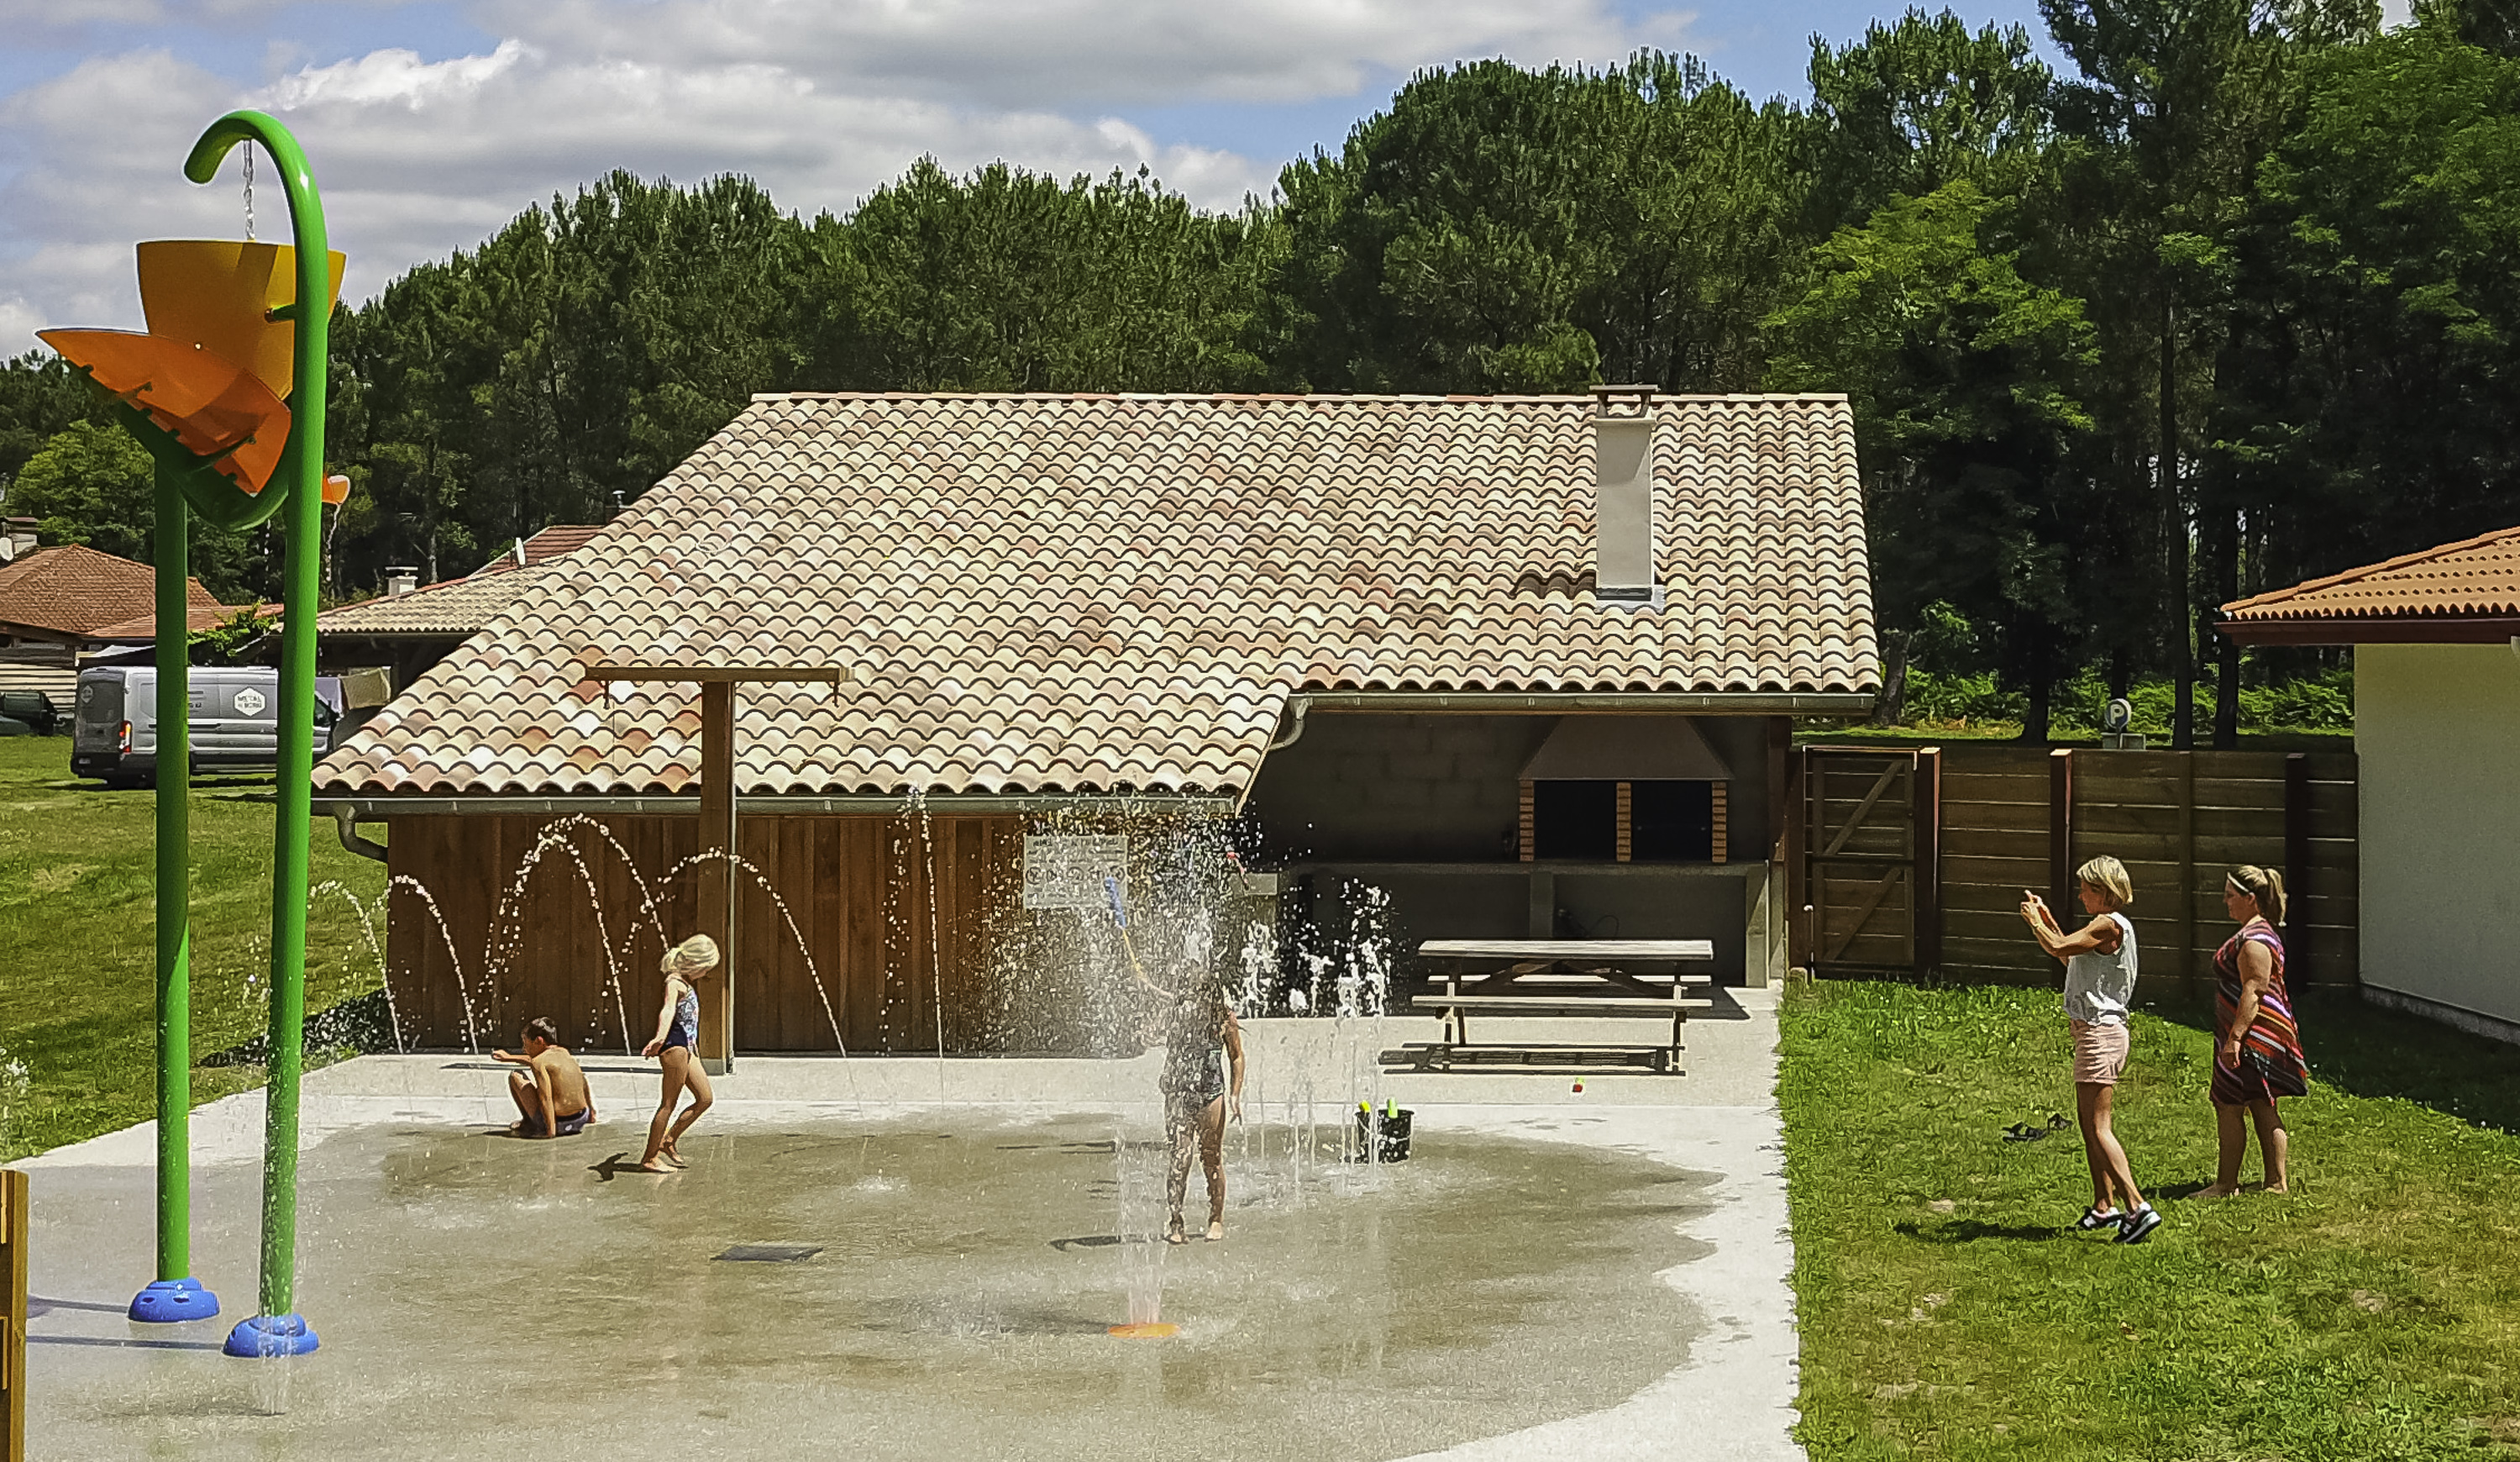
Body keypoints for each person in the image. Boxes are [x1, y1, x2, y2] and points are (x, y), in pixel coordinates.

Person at [2020, 855, 2162, 1244]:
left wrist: (2036, 922)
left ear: (2104, 891)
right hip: (2096, 1034)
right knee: (2089, 1125)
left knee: (2099, 1127)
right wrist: (2047, 923)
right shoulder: (2105, 927)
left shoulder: (2108, 924)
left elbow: (2057, 947)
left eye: (2086, 888)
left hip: (2101, 1033)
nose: (2081, 895)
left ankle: (2137, 1207)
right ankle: (2105, 1205)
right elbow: (2068, 956)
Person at [2200, 865, 2306, 1198]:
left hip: (2253, 1036)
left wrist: (2234, 1040)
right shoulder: (2259, 933)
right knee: (2261, 1103)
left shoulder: (2254, 940)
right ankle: (2275, 1183)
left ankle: (2226, 1184)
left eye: (2231, 896)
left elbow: (2255, 991)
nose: (2225, 902)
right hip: (2258, 1034)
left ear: (2250, 899)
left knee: (2230, 1104)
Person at [1158, 976, 1245, 1244]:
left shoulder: (1224, 1019)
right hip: (1179, 1094)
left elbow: (1237, 1056)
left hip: (1211, 1095)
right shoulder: (1175, 1013)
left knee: (1211, 1159)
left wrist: (1234, 1095)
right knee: (1179, 1159)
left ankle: (1216, 1219)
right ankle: (1176, 1223)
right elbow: (1151, 1031)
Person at [635, 934, 719, 1174]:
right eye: (707, 968)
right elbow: (668, 1009)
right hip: (674, 1047)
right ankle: (649, 1157)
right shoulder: (674, 982)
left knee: (705, 1098)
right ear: (696, 963)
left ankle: (669, 1140)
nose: (707, 973)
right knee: (668, 1105)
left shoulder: (685, 982)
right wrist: (660, 1038)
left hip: (688, 1048)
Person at [491, 1016, 596, 1138]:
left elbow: (546, 1097)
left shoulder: (539, 1062)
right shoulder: (564, 1053)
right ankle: (589, 1115)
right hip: (580, 1120)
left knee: (516, 1076)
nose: (524, 1049)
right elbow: (583, 1082)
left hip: (560, 1125)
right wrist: (591, 1114)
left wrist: (550, 1132)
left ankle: (529, 1122)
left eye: (525, 1043)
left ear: (539, 1041)